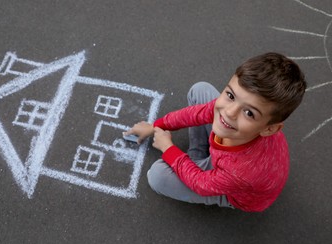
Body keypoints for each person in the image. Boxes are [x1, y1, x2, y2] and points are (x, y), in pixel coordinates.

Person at [124, 52, 306, 212]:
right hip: (231, 158)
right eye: (230, 95)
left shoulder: (241, 172)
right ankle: (195, 159)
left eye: (249, 113)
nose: (229, 112)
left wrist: (169, 148)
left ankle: (194, 162)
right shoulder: (235, 117)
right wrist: (157, 125)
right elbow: (199, 113)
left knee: (157, 177)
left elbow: (201, 184)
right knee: (200, 90)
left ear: (269, 129)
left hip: (233, 189)